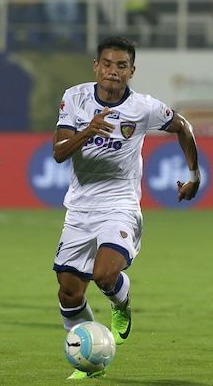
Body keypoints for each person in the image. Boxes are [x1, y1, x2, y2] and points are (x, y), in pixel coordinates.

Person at [52, 36, 200, 380]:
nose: (113, 72)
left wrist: (194, 174)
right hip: (79, 208)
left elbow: (183, 126)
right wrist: (88, 130)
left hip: (120, 205)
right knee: (69, 291)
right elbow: (59, 152)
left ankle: (121, 302)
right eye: (107, 64)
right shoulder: (74, 98)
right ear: (96, 66)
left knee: (104, 274)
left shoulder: (143, 108)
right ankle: (89, 358)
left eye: (121, 66)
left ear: (131, 71)